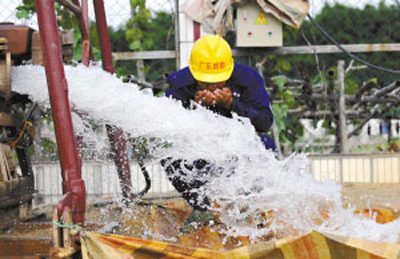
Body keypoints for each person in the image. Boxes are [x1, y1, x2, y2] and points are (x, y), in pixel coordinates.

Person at [162, 34, 275, 232]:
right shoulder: (180, 84)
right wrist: (193, 108)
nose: (213, 87)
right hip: (199, 147)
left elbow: (265, 122)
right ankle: (202, 208)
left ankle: (251, 207)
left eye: (218, 82)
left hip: (239, 146)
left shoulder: (247, 79)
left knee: (267, 146)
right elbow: (167, 128)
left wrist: (232, 104)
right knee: (169, 155)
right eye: (206, 83)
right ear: (194, 74)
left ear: (229, 72)